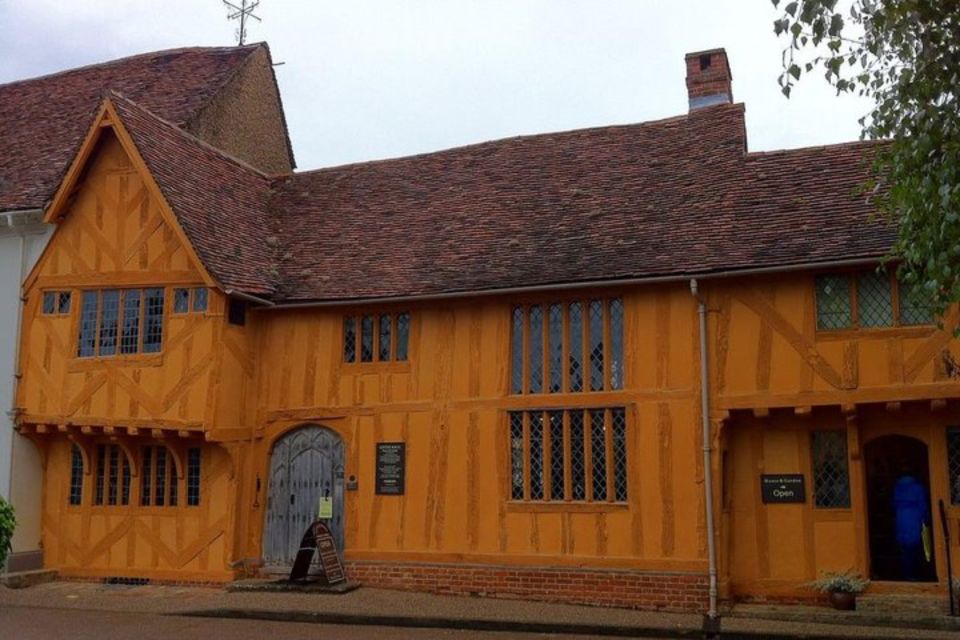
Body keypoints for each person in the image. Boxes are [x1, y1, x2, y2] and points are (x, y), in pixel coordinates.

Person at [892, 467, 929, 581]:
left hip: (900, 518)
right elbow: (923, 506)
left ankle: (906, 573)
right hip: (915, 519)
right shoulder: (918, 488)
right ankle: (915, 574)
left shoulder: (897, 487)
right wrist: (926, 519)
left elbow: (893, 504)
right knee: (916, 548)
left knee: (904, 549)